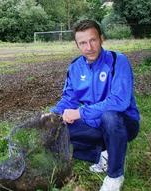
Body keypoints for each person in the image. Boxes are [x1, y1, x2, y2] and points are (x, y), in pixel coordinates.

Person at [43, 19, 140, 191]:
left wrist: (80, 113)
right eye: (83, 43)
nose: (89, 47)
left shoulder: (118, 60)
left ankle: (115, 176)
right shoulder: (75, 67)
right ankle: (103, 154)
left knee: (109, 115)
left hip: (123, 122)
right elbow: (69, 99)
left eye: (93, 40)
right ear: (77, 45)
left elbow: (119, 101)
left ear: (101, 39)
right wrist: (53, 114)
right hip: (93, 124)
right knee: (56, 129)